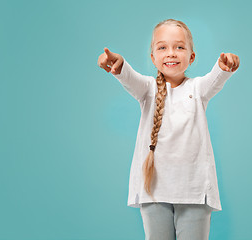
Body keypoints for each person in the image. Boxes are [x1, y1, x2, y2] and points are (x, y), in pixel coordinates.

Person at [97, 18, 240, 240]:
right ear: (153, 57)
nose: (171, 53)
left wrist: (224, 67)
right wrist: (119, 65)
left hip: (194, 191)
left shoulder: (198, 88)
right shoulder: (147, 89)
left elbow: (215, 79)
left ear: (191, 57)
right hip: (154, 190)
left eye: (179, 47)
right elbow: (129, 78)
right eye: (162, 47)